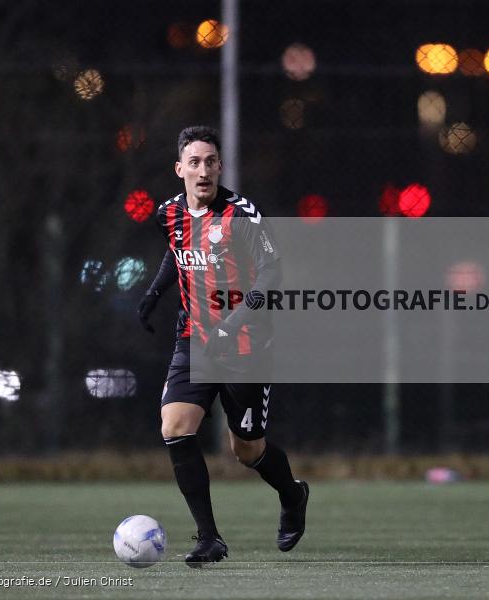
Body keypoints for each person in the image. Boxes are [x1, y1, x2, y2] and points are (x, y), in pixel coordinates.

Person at [137, 125, 308, 566]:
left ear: (220, 167)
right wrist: (154, 294)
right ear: (179, 169)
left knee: (246, 450)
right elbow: (176, 254)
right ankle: (209, 538)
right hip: (193, 339)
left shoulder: (241, 214)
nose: (203, 170)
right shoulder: (169, 213)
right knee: (175, 426)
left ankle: (292, 495)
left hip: (246, 346)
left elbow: (273, 273)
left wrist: (233, 324)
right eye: (194, 162)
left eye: (210, 162)